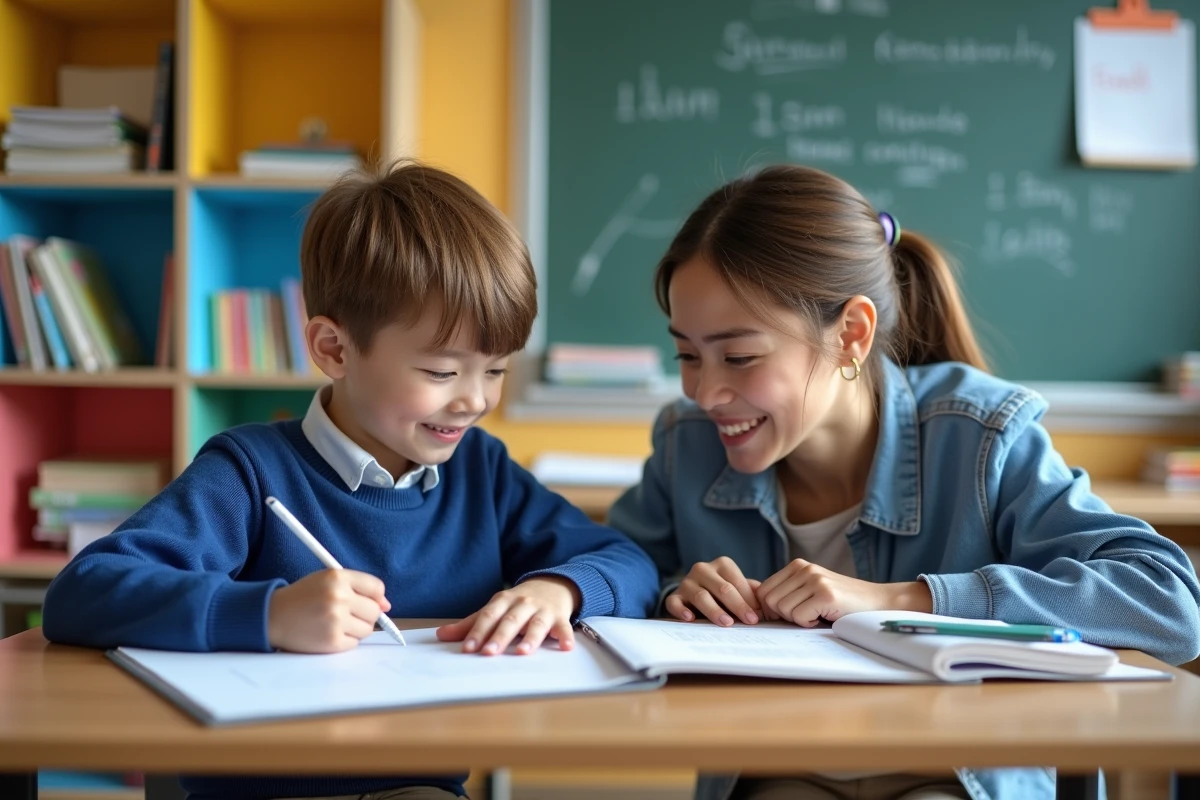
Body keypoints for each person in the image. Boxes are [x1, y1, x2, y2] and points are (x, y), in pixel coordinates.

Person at [42, 161, 659, 800]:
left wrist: (560, 590)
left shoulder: (483, 471)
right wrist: (269, 613)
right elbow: (82, 593)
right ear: (334, 349)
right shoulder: (249, 473)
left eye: (497, 370)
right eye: (443, 373)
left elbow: (626, 562)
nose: (475, 402)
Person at [608, 163, 1200, 800]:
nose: (705, 392)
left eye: (740, 356)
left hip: (956, 779)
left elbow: (1166, 602)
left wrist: (900, 602)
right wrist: (675, 593)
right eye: (687, 356)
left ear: (851, 334)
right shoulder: (685, 444)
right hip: (779, 773)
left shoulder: (982, 436)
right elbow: (609, 574)